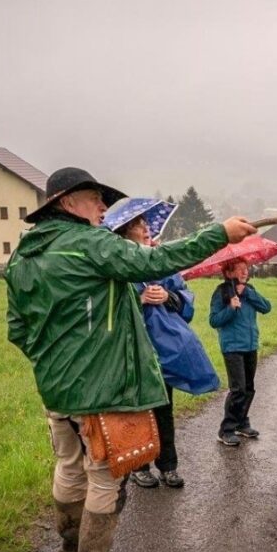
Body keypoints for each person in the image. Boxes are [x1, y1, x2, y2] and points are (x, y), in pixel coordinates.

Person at [6, 167, 255, 552]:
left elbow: (18, 329)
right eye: (94, 198)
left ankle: (69, 551)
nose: (104, 207)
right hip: (102, 387)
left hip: (55, 388)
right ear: (67, 204)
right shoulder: (89, 243)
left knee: (68, 466)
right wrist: (220, 234)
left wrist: (53, 362)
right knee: (104, 477)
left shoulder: (22, 257)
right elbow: (156, 261)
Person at [102, 205, 221, 489]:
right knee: (139, 411)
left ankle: (168, 466)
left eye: (146, 223)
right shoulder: (116, 265)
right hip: (132, 350)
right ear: (124, 229)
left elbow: (184, 300)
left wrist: (167, 295)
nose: (146, 228)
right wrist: (138, 299)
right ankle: (140, 467)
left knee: (164, 409)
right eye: (139, 224)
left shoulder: (158, 260)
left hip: (163, 351)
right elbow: (109, 307)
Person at [209, 259, 272, 447]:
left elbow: (266, 307)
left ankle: (242, 423)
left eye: (247, 269)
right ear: (229, 273)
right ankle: (226, 430)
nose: (245, 272)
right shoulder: (221, 292)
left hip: (250, 345)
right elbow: (214, 320)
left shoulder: (249, 289)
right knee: (238, 389)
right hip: (232, 347)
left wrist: (248, 294)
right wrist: (231, 308)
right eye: (240, 269)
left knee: (249, 388)